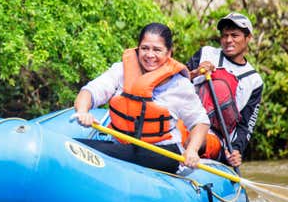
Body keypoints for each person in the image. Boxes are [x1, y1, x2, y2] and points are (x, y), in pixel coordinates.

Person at [73, 23, 210, 173]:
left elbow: (199, 122)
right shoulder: (121, 71)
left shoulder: (179, 84)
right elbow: (90, 91)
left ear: (169, 53)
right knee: (75, 147)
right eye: (145, 48)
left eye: (157, 50)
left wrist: (192, 150)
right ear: (138, 48)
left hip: (162, 152)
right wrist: (82, 111)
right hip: (121, 145)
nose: (150, 55)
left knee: (99, 152)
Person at [185, 12, 263, 168]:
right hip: (186, 120)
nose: (228, 40)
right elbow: (175, 84)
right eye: (225, 35)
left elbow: (245, 126)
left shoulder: (254, 81)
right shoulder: (205, 53)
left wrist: (235, 150)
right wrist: (195, 73)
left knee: (195, 141)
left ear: (248, 38)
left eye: (235, 35)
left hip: (214, 138)